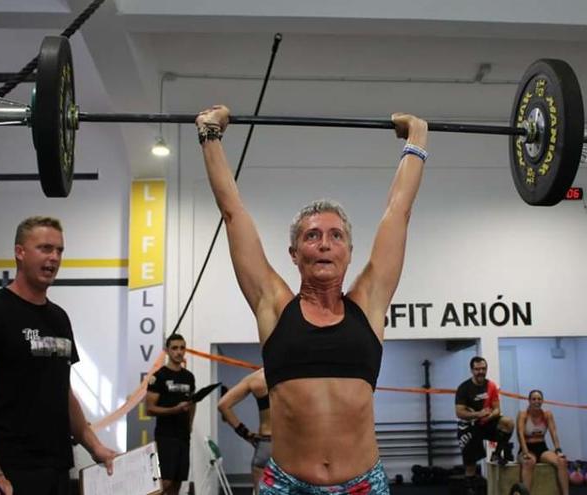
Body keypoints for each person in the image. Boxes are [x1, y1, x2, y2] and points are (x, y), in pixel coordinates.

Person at [195, 104, 428, 494]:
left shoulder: (368, 304)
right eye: (312, 235)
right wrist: (210, 137)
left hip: (363, 486)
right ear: (294, 253)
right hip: (287, 485)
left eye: (336, 236)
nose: (324, 244)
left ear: (350, 252)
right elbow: (232, 213)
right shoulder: (273, 306)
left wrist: (417, 141)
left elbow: (398, 212)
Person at [0, 216, 116, 495]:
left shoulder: (59, 319)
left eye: (59, 250)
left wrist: (96, 447)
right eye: (44, 248)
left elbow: (63, 393)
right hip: (8, 473)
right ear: (20, 252)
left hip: (56, 469)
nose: (53, 258)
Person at [455, 356, 515, 494]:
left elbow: (497, 409)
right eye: (477, 369)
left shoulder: (491, 385)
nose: (480, 371)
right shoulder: (464, 388)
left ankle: (497, 454)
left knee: (508, 423)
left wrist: (489, 416)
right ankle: (471, 489)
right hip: (469, 426)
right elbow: (459, 412)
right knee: (470, 465)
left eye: (483, 368)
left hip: (486, 422)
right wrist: (478, 414)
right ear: (472, 370)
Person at [145, 333, 197, 495]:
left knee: (177, 482)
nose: (179, 352)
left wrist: (189, 425)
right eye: (174, 348)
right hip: (166, 436)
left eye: (182, 348)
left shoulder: (189, 377)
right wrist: (174, 410)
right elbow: (149, 408)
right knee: (164, 482)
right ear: (167, 350)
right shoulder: (159, 376)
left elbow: (192, 403)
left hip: (183, 436)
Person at [217, 368, 272, 494]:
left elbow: (223, 405)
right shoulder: (295, 377)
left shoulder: (256, 378)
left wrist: (246, 434)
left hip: (266, 445)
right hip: (290, 446)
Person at [516, 390, 568, 495]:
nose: (537, 401)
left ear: (542, 401)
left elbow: (553, 433)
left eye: (539, 399)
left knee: (561, 461)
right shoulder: (523, 415)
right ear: (529, 401)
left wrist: (558, 450)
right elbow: (520, 434)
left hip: (542, 448)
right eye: (534, 399)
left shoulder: (547, 415)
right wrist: (526, 453)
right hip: (527, 448)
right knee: (528, 462)